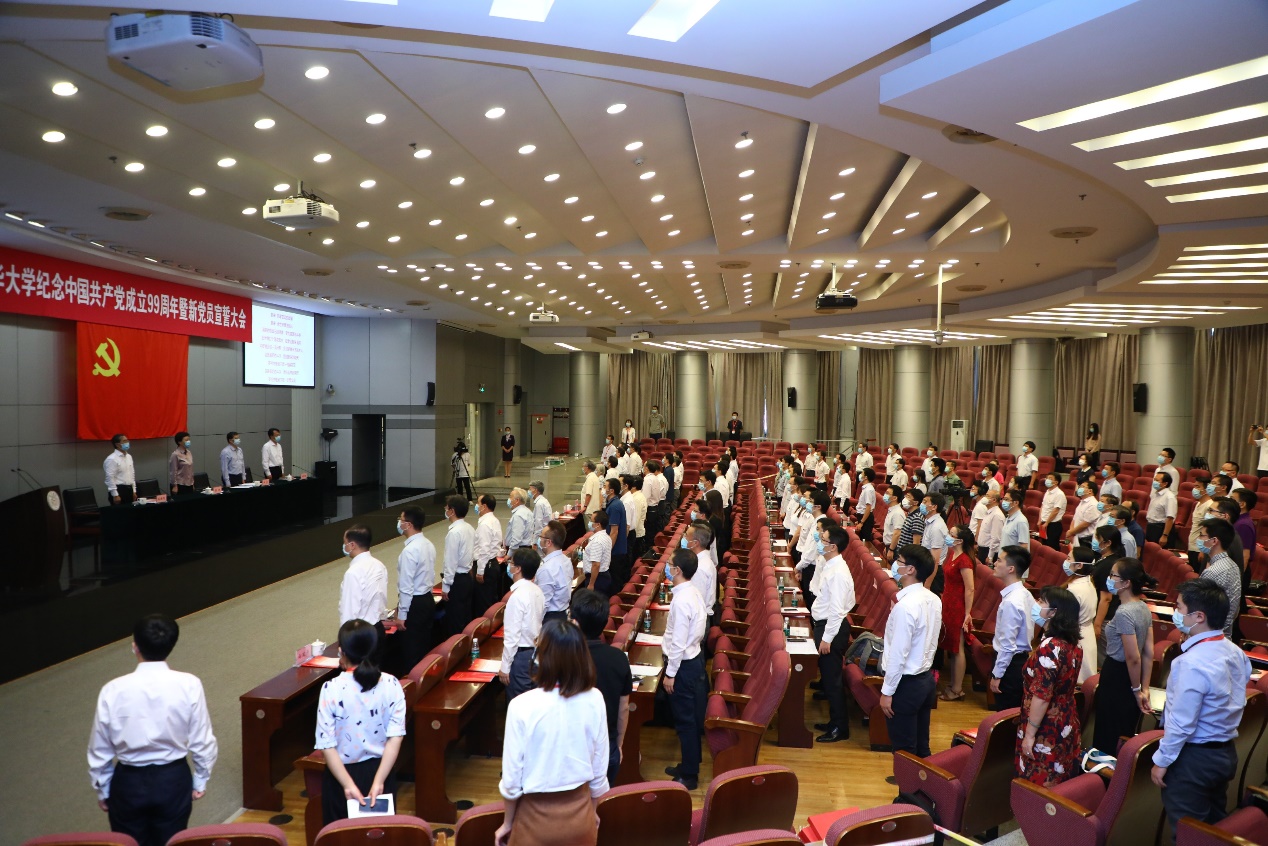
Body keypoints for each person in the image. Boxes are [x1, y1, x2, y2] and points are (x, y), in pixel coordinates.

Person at [87, 614, 217, 846]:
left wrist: (103, 788)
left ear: (134, 646)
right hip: (173, 780)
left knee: (128, 843)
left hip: (128, 783)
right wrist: (200, 779)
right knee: (171, 843)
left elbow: (100, 747)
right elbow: (202, 738)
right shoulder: (189, 684)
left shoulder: (113, 689)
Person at [1152, 579, 1251, 840]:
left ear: (1199, 616)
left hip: (1193, 760)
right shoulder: (1235, 652)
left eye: (1179, 607)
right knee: (1214, 829)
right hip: (1225, 753)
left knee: (1188, 835)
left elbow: (1182, 722)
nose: (1176, 612)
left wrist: (1162, 761)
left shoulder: (1190, 662)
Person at [497, 618, 609, 846]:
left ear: (541, 657)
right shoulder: (595, 699)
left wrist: (507, 823)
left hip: (534, 817)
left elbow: (511, 780)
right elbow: (599, 770)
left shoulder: (520, 705)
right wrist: (592, 811)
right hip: (580, 815)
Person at [315, 620, 405, 825]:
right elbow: (395, 738)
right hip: (381, 770)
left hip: (340, 775)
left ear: (341, 651)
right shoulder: (391, 683)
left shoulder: (331, 688)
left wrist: (348, 785)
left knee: (341, 835)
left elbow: (326, 745)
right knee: (379, 834)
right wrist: (379, 781)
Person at [1017, 586, 1084, 788]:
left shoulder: (1050, 647)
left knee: (1037, 782)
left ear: (1053, 612)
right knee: (1058, 780)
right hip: (1066, 718)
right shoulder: (1073, 644)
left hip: (1045, 725)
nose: (1036, 605)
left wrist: (1030, 734)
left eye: (1041, 602)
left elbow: (1042, 695)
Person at [881, 545, 942, 760]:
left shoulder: (905, 607)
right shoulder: (933, 599)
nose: (895, 564)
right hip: (925, 680)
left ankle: (907, 783)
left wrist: (887, 691)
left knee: (904, 750)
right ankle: (923, 783)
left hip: (905, 685)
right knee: (921, 745)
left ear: (910, 569)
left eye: (899, 560)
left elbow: (899, 653)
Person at [571, 589, 633, 787]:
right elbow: (624, 708)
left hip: (571, 748)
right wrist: (619, 744)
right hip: (607, 745)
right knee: (603, 800)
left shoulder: (562, 658)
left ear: (574, 622)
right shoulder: (618, 658)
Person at [1093, 558, 1155, 752]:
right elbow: (1148, 652)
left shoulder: (1124, 612)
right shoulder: (1143, 607)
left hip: (1117, 676)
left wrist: (1136, 690)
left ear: (1126, 582)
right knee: (1123, 728)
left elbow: (1133, 657)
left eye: (1113, 575)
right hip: (1134, 676)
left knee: (1108, 730)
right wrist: (1144, 688)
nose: (1109, 579)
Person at [661, 548, 709, 789]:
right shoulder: (692, 591)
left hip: (684, 666)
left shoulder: (681, 600)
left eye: (670, 564)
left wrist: (670, 674)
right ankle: (689, 763)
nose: (667, 568)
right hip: (693, 660)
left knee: (685, 721)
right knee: (689, 719)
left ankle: (690, 775)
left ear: (677, 570)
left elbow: (678, 642)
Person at [811, 524, 856, 743]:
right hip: (826, 625)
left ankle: (840, 727)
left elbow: (838, 610)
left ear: (833, 546)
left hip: (832, 629)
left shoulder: (838, 572)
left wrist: (826, 639)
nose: (820, 542)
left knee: (833, 681)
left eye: (824, 540)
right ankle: (833, 721)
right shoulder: (831, 565)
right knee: (829, 679)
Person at [990, 545, 1035, 711]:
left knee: (1006, 714)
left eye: (999, 560)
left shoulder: (1011, 602)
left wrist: (997, 674)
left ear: (1011, 569)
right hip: (1018, 661)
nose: (995, 563)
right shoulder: (1024, 593)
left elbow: (1008, 645)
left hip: (1010, 666)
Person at [499, 547, 545, 699]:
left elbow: (512, 636)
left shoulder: (517, 596)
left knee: (519, 702)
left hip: (520, 658)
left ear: (518, 569)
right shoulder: (538, 591)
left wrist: (505, 667)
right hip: (536, 653)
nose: (509, 566)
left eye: (511, 563)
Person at [396, 506, 436, 673]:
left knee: (411, 651)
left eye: (401, 520)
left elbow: (406, 586)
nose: (399, 523)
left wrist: (402, 614)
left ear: (408, 525)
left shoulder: (410, 551)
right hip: (427, 599)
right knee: (423, 648)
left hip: (414, 603)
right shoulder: (428, 544)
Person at [939, 525, 977, 701]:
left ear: (960, 540)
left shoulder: (965, 561)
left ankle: (957, 689)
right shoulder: (952, 554)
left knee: (958, 647)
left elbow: (970, 589)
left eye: (951, 534)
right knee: (952, 647)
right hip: (948, 603)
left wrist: (967, 613)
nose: (948, 536)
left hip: (958, 607)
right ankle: (953, 684)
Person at [1195, 518, 1241, 638]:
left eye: (1202, 535)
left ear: (1214, 541)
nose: (1199, 539)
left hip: (1209, 638)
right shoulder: (1233, 565)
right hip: (1223, 637)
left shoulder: (1212, 572)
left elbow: (1201, 610)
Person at [339, 525, 388, 636]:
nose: (344, 546)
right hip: (378, 628)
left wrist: (344, 638)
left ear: (352, 545)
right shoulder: (379, 565)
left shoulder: (353, 573)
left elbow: (349, 612)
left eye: (345, 543)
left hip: (360, 633)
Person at [1063, 545, 1099, 683]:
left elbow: (1066, 619)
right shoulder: (1088, 582)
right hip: (1086, 633)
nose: (1066, 561)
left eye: (1069, 558)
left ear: (1079, 565)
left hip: (1076, 636)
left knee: (1077, 681)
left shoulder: (1075, 589)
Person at [441, 496, 476, 636]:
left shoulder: (454, 533)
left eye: (447, 507)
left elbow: (451, 562)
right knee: (465, 616)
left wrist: (446, 586)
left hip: (456, 581)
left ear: (452, 511)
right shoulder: (469, 528)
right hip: (467, 578)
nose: (445, 510)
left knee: (455, 621)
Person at [473, 494, 503, 616]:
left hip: (485, 566)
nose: (477, 506)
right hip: (492, 563)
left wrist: (480, 571)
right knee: (491, 600)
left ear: (484, 506)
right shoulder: (494, 520)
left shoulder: (485, 524)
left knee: (483, 604)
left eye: (478, 503)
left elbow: (484, 549)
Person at [537, 519, 572, 623]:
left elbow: (543, 605)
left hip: (550, 619)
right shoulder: (566, 560)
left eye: (541, 537)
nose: (539, 540)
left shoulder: (546, 569)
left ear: (548, 542)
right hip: (563, 613)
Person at [1186, 478, 1218, 570]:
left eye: (1198, 487)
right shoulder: (1198, 503)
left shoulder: (1210, 505)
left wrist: (1203, 551)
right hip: (1192, 545)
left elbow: (1209, 529)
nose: (1194, 489)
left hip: (1199, 548)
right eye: (1194, 486)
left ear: (1206, 489)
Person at [582, 509, 614, 597]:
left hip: (597, 579)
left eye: (591, 521)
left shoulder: (597, 541)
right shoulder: (606, 537)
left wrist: (591, 584)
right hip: (603, 576)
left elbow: (596, 564)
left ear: (598, 525)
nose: (589, 523)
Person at [605, 477, 630, 587]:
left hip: (615, 551)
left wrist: (607, 551)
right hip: (618, 549)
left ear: (611, 491)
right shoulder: (616, 503)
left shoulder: (615, 506)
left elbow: (614, 532)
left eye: (605, 487)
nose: (603, 489)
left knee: (615, 581)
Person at [1064, 479, 1100, 546]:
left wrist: (1071, 532)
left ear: (1090, 491)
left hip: (1086, 540)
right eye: (1080, 486)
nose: (1080, 488)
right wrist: (1071, 532)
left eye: (1083, 487)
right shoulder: (1082, 502)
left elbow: (1085, 524)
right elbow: (1074, 519)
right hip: (1077, 537)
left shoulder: (1093, 504)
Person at [104, 433, 137, 504]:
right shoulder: (112, 459)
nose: (127, 443)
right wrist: (115, 495)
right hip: (119, 490)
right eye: (124, 441)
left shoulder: (129, 456)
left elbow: (132, 474)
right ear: (117, 445)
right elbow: (110, 478)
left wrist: (134, 491)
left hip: (129, 489)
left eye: (127, 440)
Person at [1146, 471, 1177, 546]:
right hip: (1151, 527)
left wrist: (1164, 535)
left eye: (1157, 480)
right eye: (1154, 479)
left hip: (1161, 529)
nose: (1154, 482)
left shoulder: (1169, 497)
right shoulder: (1155, 494)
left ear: (1165, 483)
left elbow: (1170, 518)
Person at [998, 490, 1030, 558]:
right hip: (1003, 559)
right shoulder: (1008, 517)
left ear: (1016, 503)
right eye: (1003, 499)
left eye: (1006, 499)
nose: (1003, 502)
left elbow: (1024, 546)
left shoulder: (1021, 521)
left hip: (1012, 562)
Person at [1039, 472, 1066, 550]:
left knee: (1051, 547)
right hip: (1044, 523)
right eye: (1047, 478)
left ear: (1056, 482)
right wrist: (1040, 520)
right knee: (1044, 546)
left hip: (1053, 525)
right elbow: (1043, 506)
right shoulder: (1047, 492)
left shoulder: (1059, 494)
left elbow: (1055, 511)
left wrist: (1047, 523)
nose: (1047, 480)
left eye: (1050, 478)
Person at [978, 491, 1004, 564]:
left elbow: (996, 538)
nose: (984, 497)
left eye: (987, 496)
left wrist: (990, 556)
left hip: (988, 551)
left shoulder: (996, 515)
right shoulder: (988, 512)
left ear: (994, 500)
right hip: (982, 549)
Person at [855, 467, 877, 543]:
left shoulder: (868, 490)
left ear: (866, 477)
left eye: (862, 473)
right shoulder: (865, 488)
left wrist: (861, 522)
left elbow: (868, 507)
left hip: (866, 518)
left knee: (865, 541)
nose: (860, 475)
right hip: (862, 516)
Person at [168, 432, 194, 496]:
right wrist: (174, 486)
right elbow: (173, 471)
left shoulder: (189, 453)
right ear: (179, 442)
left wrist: (192, 483)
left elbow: (190, 470)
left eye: (189, 439)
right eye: (186, 440)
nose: (188, 441)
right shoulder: (175, 454)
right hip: (180, 485)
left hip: (189, 484)